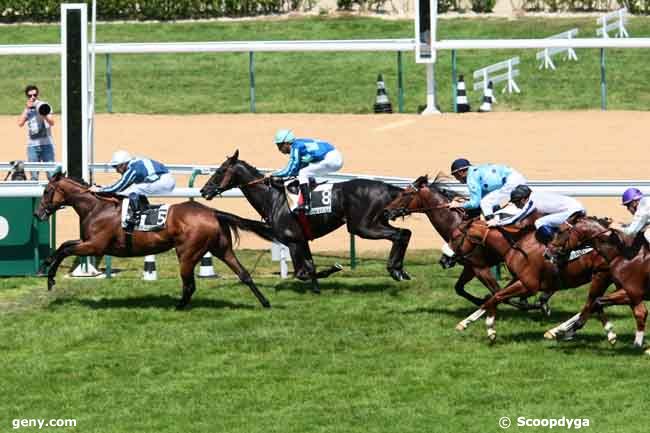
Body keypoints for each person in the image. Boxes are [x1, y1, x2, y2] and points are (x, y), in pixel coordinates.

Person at [90, 150, 175, 231]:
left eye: (116, 166)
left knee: (133, 190)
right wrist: (105, 188)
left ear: (123, 164)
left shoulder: (133, 168)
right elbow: (122, 186)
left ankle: (136, 217)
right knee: (133, 190)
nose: (116, 170)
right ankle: (142, 211)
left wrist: (99, 189)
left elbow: (117, 187)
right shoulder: (135, 164)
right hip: (164, 179)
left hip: (164, 181)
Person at [268, 129, 343, 212]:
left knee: (303, 173)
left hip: (332, 159)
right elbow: (296, 168)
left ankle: (306, 204)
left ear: (286, 143)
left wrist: (273, 174)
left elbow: (290, 170)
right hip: (334, 156)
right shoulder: (299, 145)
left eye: (279, 145)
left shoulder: (296, 147)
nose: (279, 149)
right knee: (304, 171)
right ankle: (312, 187)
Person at [488, 185, 586, 244]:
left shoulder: (532, 201)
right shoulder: (535, 197)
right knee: (544, 220)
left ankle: (552, 245)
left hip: (573, 211)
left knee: (540, 222)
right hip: (575, 208)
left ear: (523, 199)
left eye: (516, 202)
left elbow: (517, 218)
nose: (516, 205)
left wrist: (498, 223)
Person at [448, 158, 527, 221]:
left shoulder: (471, 177)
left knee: (485, 203)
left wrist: (458, 205)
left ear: (461, 172)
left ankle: (492, 225)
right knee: (488, 202)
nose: (457, 180)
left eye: (456, 176)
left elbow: (475, 204)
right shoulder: (476, 172)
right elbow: (482, 197)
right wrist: (466, 200)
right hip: (517, 179)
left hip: (511, 182)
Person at [17, 85, 55, 181]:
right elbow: (20, 123)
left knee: (51, 175)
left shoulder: (44, 105)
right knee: (34, 176)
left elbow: (52, 122)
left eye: (35, 94)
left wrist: (43, 113)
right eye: (30, 96)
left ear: (38, 94)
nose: (33, 97)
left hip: (47, 144)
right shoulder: (28, 109)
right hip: (32, 146)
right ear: (27, 97)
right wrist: (27, 109)